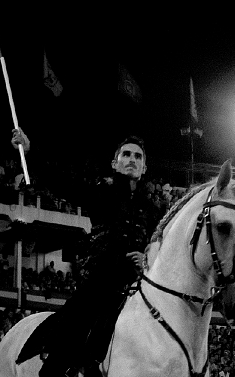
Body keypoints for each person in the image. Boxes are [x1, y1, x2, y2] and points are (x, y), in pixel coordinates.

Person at [12, 128, 160, 376]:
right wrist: (30, 152)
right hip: (100, 282)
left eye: (138, 156)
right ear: (115, 163)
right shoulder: (102, 192)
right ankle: (53, 370)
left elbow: (160, 247)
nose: (132, 159)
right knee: (75, 324)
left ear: (144, 167)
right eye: (126, 154)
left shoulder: (154, 209)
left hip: (137, 285)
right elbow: (62, 183)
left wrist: (147, 258)